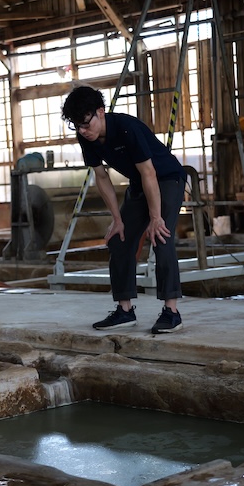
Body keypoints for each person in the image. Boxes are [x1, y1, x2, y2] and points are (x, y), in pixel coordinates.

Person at [61, 85, 187, 334]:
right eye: (77, 126)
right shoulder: (87, 137)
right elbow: (102, 177)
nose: (83, 131)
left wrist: (155, 217)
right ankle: (125, 311)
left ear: (100, 112)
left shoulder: (127, 128)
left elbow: (149, 172)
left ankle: (171, 312)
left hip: (167, 179)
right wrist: (117, 219)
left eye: (86, 124)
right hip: (140, 183)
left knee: (161, 236)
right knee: (118, 240)